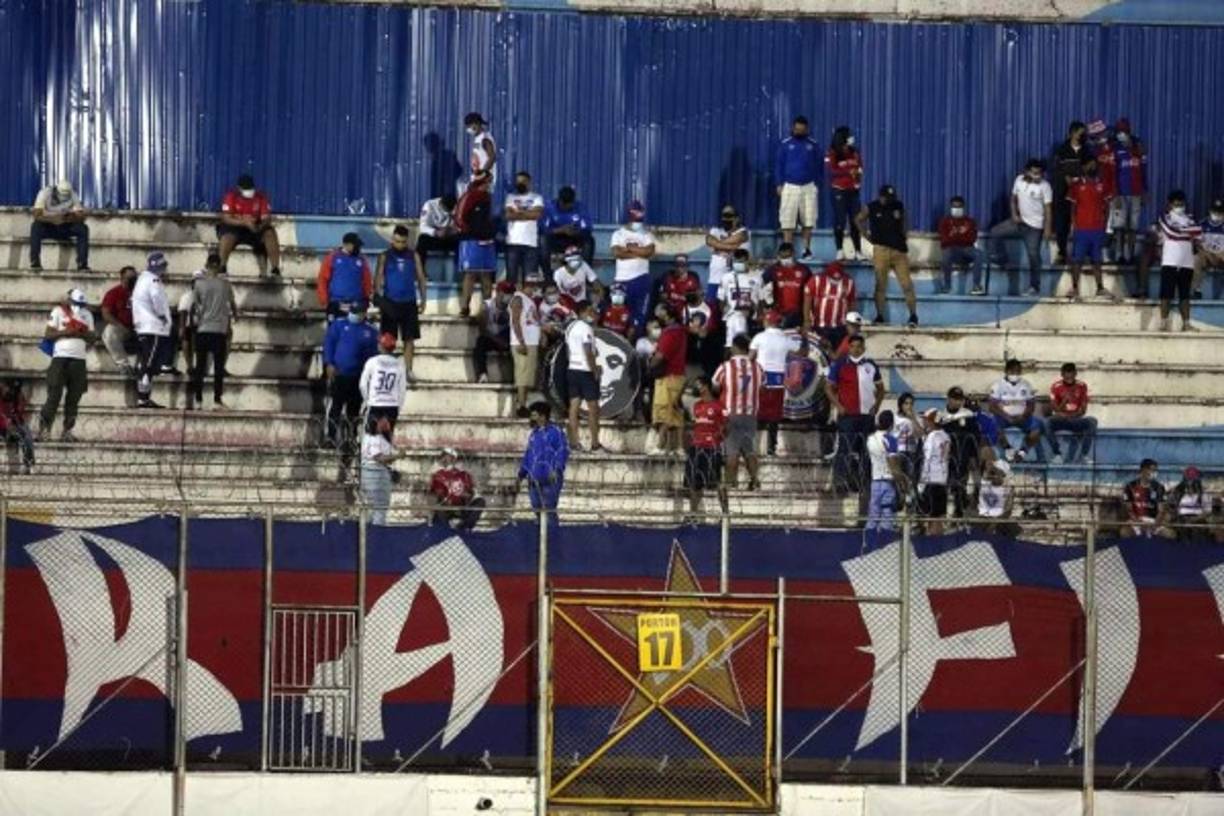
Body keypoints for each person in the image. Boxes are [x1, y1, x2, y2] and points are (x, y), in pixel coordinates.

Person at [825, 335, 883, 499]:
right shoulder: (840, 364)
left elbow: (881, 389)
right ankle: (839, 482)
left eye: (859, 346)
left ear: (863, 348)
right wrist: (839, 406)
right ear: (849, 348)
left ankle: (863, 483)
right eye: (853, 346)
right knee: (845, 449)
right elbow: (828, 388)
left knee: (866, 450)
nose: (856, 349)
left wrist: (877, 406)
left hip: (867, 416)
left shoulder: (871, 365)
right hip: (848, 416)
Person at [989, 159, 1053, 297]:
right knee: (995, 232)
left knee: (1033, 256)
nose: (1037, 176)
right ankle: (1002, 259)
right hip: (1019, 222)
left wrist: (1048, 229)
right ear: (1027, 171)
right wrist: (1014, 214)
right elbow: (1013, 199)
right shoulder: (1019, 180)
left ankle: (1034, 286)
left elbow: (1048, 209)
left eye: (1040, 173)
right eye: (1034, 172)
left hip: (1035, 227)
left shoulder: (1045, 186)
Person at [37, 288, 95, 441]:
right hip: (60, 358)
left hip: (79, 360)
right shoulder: (58, 311)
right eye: (76, 303)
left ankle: (67, 432)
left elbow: (92, 338)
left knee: (74, 398)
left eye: (81, 304)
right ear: (69, 300)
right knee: (53, 396)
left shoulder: (87, 314)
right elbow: (48, 334)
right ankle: (44, 430)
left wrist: (81, 333)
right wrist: (65, 332)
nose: (78, 306)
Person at [856, 185, 918, 327]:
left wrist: (905, 234)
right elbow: (858, 219)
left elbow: (904, 220)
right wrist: (865, 235)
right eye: (886, 197)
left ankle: (913, 315)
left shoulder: (898, 205)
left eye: (891, 197)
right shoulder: (871, 207)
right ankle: (880, 315)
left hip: (899, 251)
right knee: (880, 284)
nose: (889, 200)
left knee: (907, 284)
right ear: (881, 196)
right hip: (881, 250)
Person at [322, 302, 380, 450]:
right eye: (352, 311)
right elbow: (329, 344)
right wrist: (329, 363)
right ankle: (330, 437)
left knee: (353, 410)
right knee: (335, 407)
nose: (354, 315)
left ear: (363, 313)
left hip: (358, 377)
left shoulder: (371, 331)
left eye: (357, 312)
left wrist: (369, 377)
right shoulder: (338, 325)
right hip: (339, 374)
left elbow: (373, 356)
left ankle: (350, 439)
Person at [374, 225, 427, 382]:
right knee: (387, 339)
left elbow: (421, 278)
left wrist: (423, 299)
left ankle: (408, 370)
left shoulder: (414, 256)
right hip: (390, 302)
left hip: (409, 303)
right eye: (397, 241)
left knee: (409, 339)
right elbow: (378, 278)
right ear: (392, 239)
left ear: (407, 241)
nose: (400, 245)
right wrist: (379, 300)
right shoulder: (384, 256)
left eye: (403, 242)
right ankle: (386, 370)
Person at [713, 334, 763, 491]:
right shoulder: (757, 367)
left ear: (734, 347)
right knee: (749, 450)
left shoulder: (725, 367)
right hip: (750, 414)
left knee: (732, 451)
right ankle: (755, 481)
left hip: (730, 414)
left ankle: (731, 483)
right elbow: (762, 386)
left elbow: (715, 385)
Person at [190, 253, 237, 410]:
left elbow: (195, 306)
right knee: (218, 367)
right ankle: (217, 400)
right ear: (219, 266)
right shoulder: (225, 284)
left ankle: (198, 400)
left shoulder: (198, 284)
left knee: (200, 366)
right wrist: (235, 316)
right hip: (219, 330)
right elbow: (232, 305)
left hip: (203, 328)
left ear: (207, 265)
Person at [750, 310, 799, 456]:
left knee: (758, 414)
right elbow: (802, 352)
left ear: (767, 321)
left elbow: (750, 357)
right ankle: (771, 447)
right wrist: (804, 336)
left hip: (761, 381)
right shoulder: (785, 339)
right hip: (778, 382)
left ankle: (754, 447)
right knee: (774, 417)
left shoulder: (759, 337)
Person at [1066, 157, 1115, 300]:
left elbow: (1107, 207)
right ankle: (1075, 288)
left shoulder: (1103, 184)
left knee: (1097, 260)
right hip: (1081, 229)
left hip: (1097, 229)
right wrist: (1074, 226)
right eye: (1089, 165)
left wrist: (1105, 226)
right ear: (1084, 167)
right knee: (1077, 260)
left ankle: (1100, 288)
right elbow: (1072, 208)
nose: (1092, 167)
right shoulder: (1076, 185)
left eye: (1094, 165)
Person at [1154, 190, 1201, 332]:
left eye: (1181, 203)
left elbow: (1199, 232)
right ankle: (1163, 323)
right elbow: (1170, 232)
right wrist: (1187, 232)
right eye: (1176, 204)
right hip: (1170, 261)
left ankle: (1186, 324)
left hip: (1187, 261)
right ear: (1170, 204)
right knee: (1166, 294)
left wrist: (1181, 231)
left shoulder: (1190, 218)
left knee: (1185, 295)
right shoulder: (1164, 217)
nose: (1179, 206)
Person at [775, 115, 821, 258]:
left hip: (808, 186)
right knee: (787, 220)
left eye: (801, 130)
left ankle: (806, 250)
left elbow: (819, 166)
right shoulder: (785, 144)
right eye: (796, 129)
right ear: (792, 128)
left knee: (809, 219)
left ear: (806, 129)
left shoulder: (813, 145)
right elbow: (779, 165)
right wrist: (779, 184)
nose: (798, 132)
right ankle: (787, 251)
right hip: (790, 186)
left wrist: (816, 184)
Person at [217, 173, 281, 276]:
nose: (249, 191)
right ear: (239, 189)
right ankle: (222, 267)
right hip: (236, 227)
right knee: (226, 237)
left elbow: (266, 218)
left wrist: (259, 227)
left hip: (255, 227)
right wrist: (244, 222)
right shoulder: (231, 197)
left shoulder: (260, 197)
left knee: (270, 233)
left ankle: (275, 268)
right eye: (246, 189)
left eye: (250, 188)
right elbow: (226, 218)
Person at [132, 252, 173, 409]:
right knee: (149, 364)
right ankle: (143, 398)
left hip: (143, 326)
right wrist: (162, 315)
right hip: (153, 327)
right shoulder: (153, 280)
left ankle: (144, 397)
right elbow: (157, 299)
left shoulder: (142, 279)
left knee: (146, 362)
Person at [609, 200, 656, 335]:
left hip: (641, 279)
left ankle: (637, 342)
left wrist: (629, 248)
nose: (638, 222)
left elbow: (649, 252)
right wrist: (639, 253)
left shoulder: (647, 234)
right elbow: (617, 253)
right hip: (621, 280)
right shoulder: (618, 234)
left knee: (639, 317)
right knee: (620, 315)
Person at [1106, 119, 1147, 264]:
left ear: (1129, 132)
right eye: (1119, 132)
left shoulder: (1138, 149)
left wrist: (1144, 191)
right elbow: (1112, 173)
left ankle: (1130, 255)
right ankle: (1119, 255)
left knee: (1133, 227)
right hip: (1120, 193)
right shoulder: (1115, 149)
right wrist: (1114, 193)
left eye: (1123, 131)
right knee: (1119, 227)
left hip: (1136, 193)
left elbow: (1143, 172)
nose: (1121, 134)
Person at [648, 304, 688, 455]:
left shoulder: (670, 333)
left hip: (668, 376)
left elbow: (661, 356)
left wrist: (649, 365)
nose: (659, 317)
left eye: (661, 314)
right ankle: (679, 447)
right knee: (676, 411)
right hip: (678, 375)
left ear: (667, 315)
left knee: (665, 410)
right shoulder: (681, 331)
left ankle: (660, 446)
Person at [517, 400, 570, 516]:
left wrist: (557, 469)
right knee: (536, 509)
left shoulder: (556, 432)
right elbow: (528, 455)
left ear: (543, 416)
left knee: (549, 511)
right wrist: (521, 474)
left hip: (551, 478)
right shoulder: (534, 434)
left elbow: (562, 451)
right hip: (534, 479)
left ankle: (551, 528)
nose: (531, 418)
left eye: (534, 415)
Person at [685, 377, 728, 516]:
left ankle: (725, 513)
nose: (696, 388)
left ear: (706, 386)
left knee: (717, 481)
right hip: (696, 447)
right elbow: (695, 425)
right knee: (694, 482)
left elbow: (727, 427)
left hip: (711, 447)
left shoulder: (719, 406)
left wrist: (718, 437)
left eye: (698, 385)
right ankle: (693, 514)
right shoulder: (696, 405)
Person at [565, 300, 603, 452]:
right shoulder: (586, 328)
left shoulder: (570, 327)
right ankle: (595, 444)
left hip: (572, 369)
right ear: (582, 312)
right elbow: (588, 352)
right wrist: (594, 370)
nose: (592, 314)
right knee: (593, 408)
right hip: (585, 371)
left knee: (574, 406)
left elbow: (568, 351)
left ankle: (574, 442)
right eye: (590, 311)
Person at [989, 359, 1045, 462]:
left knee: (1037, 427)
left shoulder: (1026, 385)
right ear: (1006, 371)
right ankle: (1008, 448)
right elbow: (992, 407)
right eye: (1012, 371)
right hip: (1004, 418)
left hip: (1023, 418)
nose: (1015, 374)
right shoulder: (997, 385)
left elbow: (1031, 405)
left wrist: (1023, 416)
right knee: (992, 425)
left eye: (1018, 371)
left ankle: (1023, 452)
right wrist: (1007, 417)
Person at [940, 387, 982, 519]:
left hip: (963, 457)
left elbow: (975, 438)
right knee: (946, 486)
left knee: (961, 485)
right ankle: (944, 514)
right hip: (946, 458)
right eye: (954, 399)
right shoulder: (941, 416)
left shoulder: (968, 415)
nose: (957, 402)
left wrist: (973, 457)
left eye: (959, 399)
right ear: (948, 399)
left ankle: (959, 513)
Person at [1051, 121, 1089, 264]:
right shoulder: (1062, 150)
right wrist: (1065, 177)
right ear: (1073, 133)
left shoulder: (1086, 150)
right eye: (1080, 133)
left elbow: (1092, 167)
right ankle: (1062, 252)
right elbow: (1056, 169)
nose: (1083, 136)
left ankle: (1082, 253)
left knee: (1083, 224)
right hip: (1063, 193)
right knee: (1063, 223)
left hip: (1081, 194)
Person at [30, 180, 89, 271]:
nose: (63, 197)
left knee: (83, 229)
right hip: (48, 225)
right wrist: (53, 219)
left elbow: (81, 217)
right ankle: (35, 261)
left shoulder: (73, 195)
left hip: (64, 225)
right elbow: (36, 215)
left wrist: (68, 219)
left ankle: (82, 263)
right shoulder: (45, 193)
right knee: (35, 227)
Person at [866, 410, 909, 532]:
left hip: (875, 480)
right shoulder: (890, 439)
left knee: (873, 514)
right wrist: (902, 482)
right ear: (891, 424)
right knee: (887, 514)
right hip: (888, 481)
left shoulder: (870, 438)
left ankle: (869, 539)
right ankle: (886, 539)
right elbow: (893, 463)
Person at [1046, 362, 1097, 465]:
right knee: (1047, 422)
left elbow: (1083, 409)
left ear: (1075, 374)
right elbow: (1055, 409)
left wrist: (1073, 415)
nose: (1069, 378)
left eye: (1071, 375)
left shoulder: (1082, 386)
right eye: (1066, 376)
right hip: (1062, 419)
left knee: (1092, 421)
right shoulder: (1056, 386)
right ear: (1062, 374)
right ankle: (1057, 454)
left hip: (1076, 419)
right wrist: (1064, 401)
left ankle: (1083, 455)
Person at [826, 125, 865, 261]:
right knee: (840, 221)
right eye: (849, 136)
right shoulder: (832, 153)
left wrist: (858, 174)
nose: (851, 138)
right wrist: (848, 171)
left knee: (855, 221)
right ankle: (839, 250)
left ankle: (858, 251)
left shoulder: (855, 152)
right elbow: (831, 171)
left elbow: (860, 166)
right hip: (839, 191)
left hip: (853, 191)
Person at [457, 192, 497, 318]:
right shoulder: (467, 198)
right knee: (470, 274)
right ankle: (465, 307)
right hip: (471, 240)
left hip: (487, 241)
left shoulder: (491, 200)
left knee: (486, 274)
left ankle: (487, 309)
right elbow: (460, 220)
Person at [454, 112, 497, 230]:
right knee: (473, 208)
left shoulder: (485, 138)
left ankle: (480, 232)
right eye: (467, 126)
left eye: (469, 126)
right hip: (478, 179)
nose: (468, 129)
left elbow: (492, 157)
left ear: (477, 124)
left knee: (479, 208)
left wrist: (483, 173)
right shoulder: (478, 138)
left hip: (483, 180)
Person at [360, 416, 405, 526]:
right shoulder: (373, 438)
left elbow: (390, 451)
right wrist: (398, 456)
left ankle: (369, 531)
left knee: (374, 507)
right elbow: (379, 458)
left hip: (377, 472)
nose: (386, 423)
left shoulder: (377, 437)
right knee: (379, 506)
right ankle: (377, 531)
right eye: (383, 421)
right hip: (375, 473)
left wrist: (389, 432)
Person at [317, 233, 373, 320]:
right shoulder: (332, 257)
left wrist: (366, 298)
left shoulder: (361, 259)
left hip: (357, 304)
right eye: (356, 246)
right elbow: (323, 279)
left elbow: (367, 280)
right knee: (336, 327)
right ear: (346, 245)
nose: (358, 248)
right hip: (336, 303)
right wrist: (324, 300)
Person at [509, 270, 543, 417]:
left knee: (528, 376)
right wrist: (521, 341)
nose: (536, 288)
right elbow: (515, 321)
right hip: (523, 342)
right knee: (522, 375)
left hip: (531, 342)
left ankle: (524, 404)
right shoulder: (518, 298)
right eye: (534, 285)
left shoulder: (530, 301)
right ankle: (520, 405)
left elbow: (533, 321)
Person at [803, 259, 857, 350]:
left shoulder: (849, 282)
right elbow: (807, 300)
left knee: (837, 352)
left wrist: (851, 322)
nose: (835, 280)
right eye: (833, 278)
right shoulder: (817, 280)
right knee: (820, 352)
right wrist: (806, 320)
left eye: (838, 278)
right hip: (820, 325)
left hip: (840, 326)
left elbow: (852, 302)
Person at [359, 332, 407, 431]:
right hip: (392, 405)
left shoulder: (372, 362)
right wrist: (399, 406)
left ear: (380, 346)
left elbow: (363, 384)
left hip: (375, 403)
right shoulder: (400, 365)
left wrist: (367, 400)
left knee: (371, 435)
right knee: (387, 436)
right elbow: (402, 389)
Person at [429, 448, 487, 530]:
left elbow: (471, 493)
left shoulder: (464, 474)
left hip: (462, 507)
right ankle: (445, 530)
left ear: (454, 459)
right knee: (439, 507)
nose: (444, 459)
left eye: (447, 457)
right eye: (443, 457)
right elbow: (436, 494)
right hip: (446, 509)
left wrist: (468, 495)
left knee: (480, 501)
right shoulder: (437, 475)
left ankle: (464, 527)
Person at [504, 170, 545, 284]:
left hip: (531, 243)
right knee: (511, 280)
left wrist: (518, 213)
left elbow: (536, 215)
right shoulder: (510, 197)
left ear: (529, 182)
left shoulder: (537, 197)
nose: (520, 184)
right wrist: (528, 214)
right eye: (518, 182)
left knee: (530, 281)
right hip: (513, 242)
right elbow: (509, 216)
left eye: (523, 181)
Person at [937, 196, 984, 295]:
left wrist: (954, 236)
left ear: (963, 207)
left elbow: (972, 239)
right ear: (950, 208)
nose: (956, 209)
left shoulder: (970, 222)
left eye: (959, 206)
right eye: (954, 206)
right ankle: (947, 286)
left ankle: (977, 286)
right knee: (946, 255)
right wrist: (961, 236)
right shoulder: (945, 222)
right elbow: (944, 240)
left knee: (979, 254)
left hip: (967, 249)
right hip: (951, 250)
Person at [718, 248, 763, 353]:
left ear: (747, 261)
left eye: (741, 261)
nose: (738, 264)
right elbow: (721, 299)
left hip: (751, 318)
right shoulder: (726, 277)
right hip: (732, 316)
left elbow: (761, 299)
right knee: (730, 344)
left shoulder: (757, 278)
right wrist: (725, 313)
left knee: (748, 346)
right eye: (736, 261)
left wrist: (758, 316)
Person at [705, 205, 751, 301]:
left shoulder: (743, 232)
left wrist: (717, 246)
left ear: (737, 218)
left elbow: (740, 238)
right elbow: (709, 240)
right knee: (712, 305)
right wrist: (731, 247)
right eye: (724, 215)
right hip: (714, 279)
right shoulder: (715, 230)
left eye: (729, 216)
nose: (726, 219)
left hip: (732, 281)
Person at [472, 280, 514, 384]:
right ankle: (482, 374)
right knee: (480, 342)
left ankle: (515, 376)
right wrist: (497, 340)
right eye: (505, 292)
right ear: (498, 292)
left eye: (510, 293)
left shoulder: (514, 306)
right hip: (491, 337)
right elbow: (483, 330)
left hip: (507, 337)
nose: (508, 295)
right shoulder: (487, 305)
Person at [762, 243, 810, 329]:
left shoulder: (804, 270)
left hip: (798, 314)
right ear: (778, 256)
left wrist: (807, 318)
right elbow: (763, 288)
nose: (785, 259)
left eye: (788, 256)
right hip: (778, 314)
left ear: (793, 253)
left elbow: (809, 292)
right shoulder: (772, 270)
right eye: (783, 257)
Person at [100, 266, 138, 375]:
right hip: (123, 328)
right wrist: (120, 326)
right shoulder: (114, 293)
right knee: (109, 332)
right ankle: (124, 365)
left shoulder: (142, 291)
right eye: (129, 278)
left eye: (134, 278)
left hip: (141, 327)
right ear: (122, 278)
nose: (132, 280)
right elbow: (106, 313)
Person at [541, 186, 595, 262]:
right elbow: (543, 229)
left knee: (589, 240)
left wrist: (576, 231)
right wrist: (561, 230)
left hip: (574, 238)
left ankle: (585, 267)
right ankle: (546, 269)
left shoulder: (581, 208)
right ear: (559, 200)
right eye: (564, 204)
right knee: (543, 239)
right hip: (556, 239)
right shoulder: (549, 208)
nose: (566, 207)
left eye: (569, 204)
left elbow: (588, 228)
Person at [918, 408, 950, 534]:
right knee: (939, 514)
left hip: (931, 479)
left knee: (931, 515)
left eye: (926, 420)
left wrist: (921, 482)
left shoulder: (932, 437)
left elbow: (927, 459)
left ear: (932, 422)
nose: (924, 422)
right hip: (942, 478)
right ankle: (938, 538)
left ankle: (933, 539)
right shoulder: (945, 435)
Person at [415, 194, 459, 279]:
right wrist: (435, 232)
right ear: (441, 204)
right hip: (434, 237)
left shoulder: (456, 207)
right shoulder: (429, 205)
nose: (448, 212)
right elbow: (423, 227)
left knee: (461, 241)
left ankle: (461, 271)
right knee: (422, 240)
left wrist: (454, 230)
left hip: (448, 237)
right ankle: (420, 273)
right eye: (446, 210)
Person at [1124, 458, 1166, 537]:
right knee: (1125, 532)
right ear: (1143, 470)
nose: (1154, 473)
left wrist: (1154, 524)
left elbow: (1161, 511)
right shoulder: (1130, 486)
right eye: (1152, 470)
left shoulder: (1159, 487)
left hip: (1153, 521)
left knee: (1169, 534)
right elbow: (1129, 510)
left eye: (1156, 471)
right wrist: (1138, 522)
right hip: (1136, 521)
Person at [0, 379, 35, 474]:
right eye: (5, 387)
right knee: (11, 435)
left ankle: (28, 464)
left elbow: (19, 411)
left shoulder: (16, 396)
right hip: (3, 425)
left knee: (27, 435)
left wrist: (19, 399)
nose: (8, 390)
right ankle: (14, 467)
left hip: (15, 423)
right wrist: (7, 424)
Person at [1168, 467, 1209, 543]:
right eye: (1188, 480)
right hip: (1181, 519)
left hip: (1198, 519)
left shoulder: (1203, 494)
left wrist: (1194, 519)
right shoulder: (1178, 493)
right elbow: (1172, 509)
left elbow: (1207, 512)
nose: (1190, 482)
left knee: (1198, 530)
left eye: (1193, 480)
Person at [1193, 199, 1224, 299]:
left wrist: (1218, 255)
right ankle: (1197, 290)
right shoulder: (1202, 224)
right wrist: (1208, 254)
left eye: (1220, 212)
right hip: (1205, 255)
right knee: (1196, 259)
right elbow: (1197, 244)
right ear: (1210, 211)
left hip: (1221, 256)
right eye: (1215, 211)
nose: (1217, 214)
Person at [977, 459, 1014, 534]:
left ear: (1003, 475)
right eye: (993, 472)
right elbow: (985, 473)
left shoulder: (1007, 489)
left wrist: (994, 524)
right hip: (983, 518)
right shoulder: (984, 483)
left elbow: (1008, 510)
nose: (994, 475)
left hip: (998, 520)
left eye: (997, 472)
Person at [893, 392, 922, 483]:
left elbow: (920, 434)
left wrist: (913, 419)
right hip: (898, 451)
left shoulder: (916, 418)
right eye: (906, 403)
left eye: (911, 404)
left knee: (910, 479)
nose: (909, 406)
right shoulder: (894, 418)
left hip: (911, 452)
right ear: (901, 405)